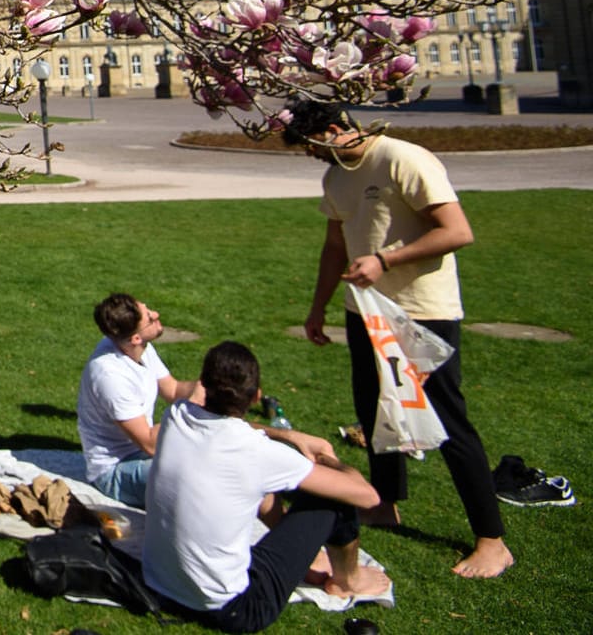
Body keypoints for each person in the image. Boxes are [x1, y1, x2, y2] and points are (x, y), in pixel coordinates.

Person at [283, 100, 512, 578]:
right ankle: (385, 503)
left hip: (421, 312)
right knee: (373, 411)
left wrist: (384, 261)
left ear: (334, 128)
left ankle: (492, 540)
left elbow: (457, 231)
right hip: (365, 312)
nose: (313, 156)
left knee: (448, 421)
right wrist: (317, 306)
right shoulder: (336, 176)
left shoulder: (404, 159)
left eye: (312, 146)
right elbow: (335, 247)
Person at [143, 341, 390, 633]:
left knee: (252, 485)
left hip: (161, 585)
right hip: (236, 608)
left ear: (204, 385)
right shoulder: (258, 453)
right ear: (256, 396)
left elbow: (232, 429)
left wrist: (288, 435)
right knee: (332, 501)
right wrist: (328, 459)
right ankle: (348, 581)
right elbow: (366, 495)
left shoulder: (177, 416)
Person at [77, 293, 200, 507]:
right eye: (150, 318)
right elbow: (149, 443)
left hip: (142, 453)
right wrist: (193, 407)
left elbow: (172, 389)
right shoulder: (110, 376)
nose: (156, 314)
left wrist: (211, 387)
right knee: (199, 480)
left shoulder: (139, 348)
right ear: (135, 338)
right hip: (115, 470)